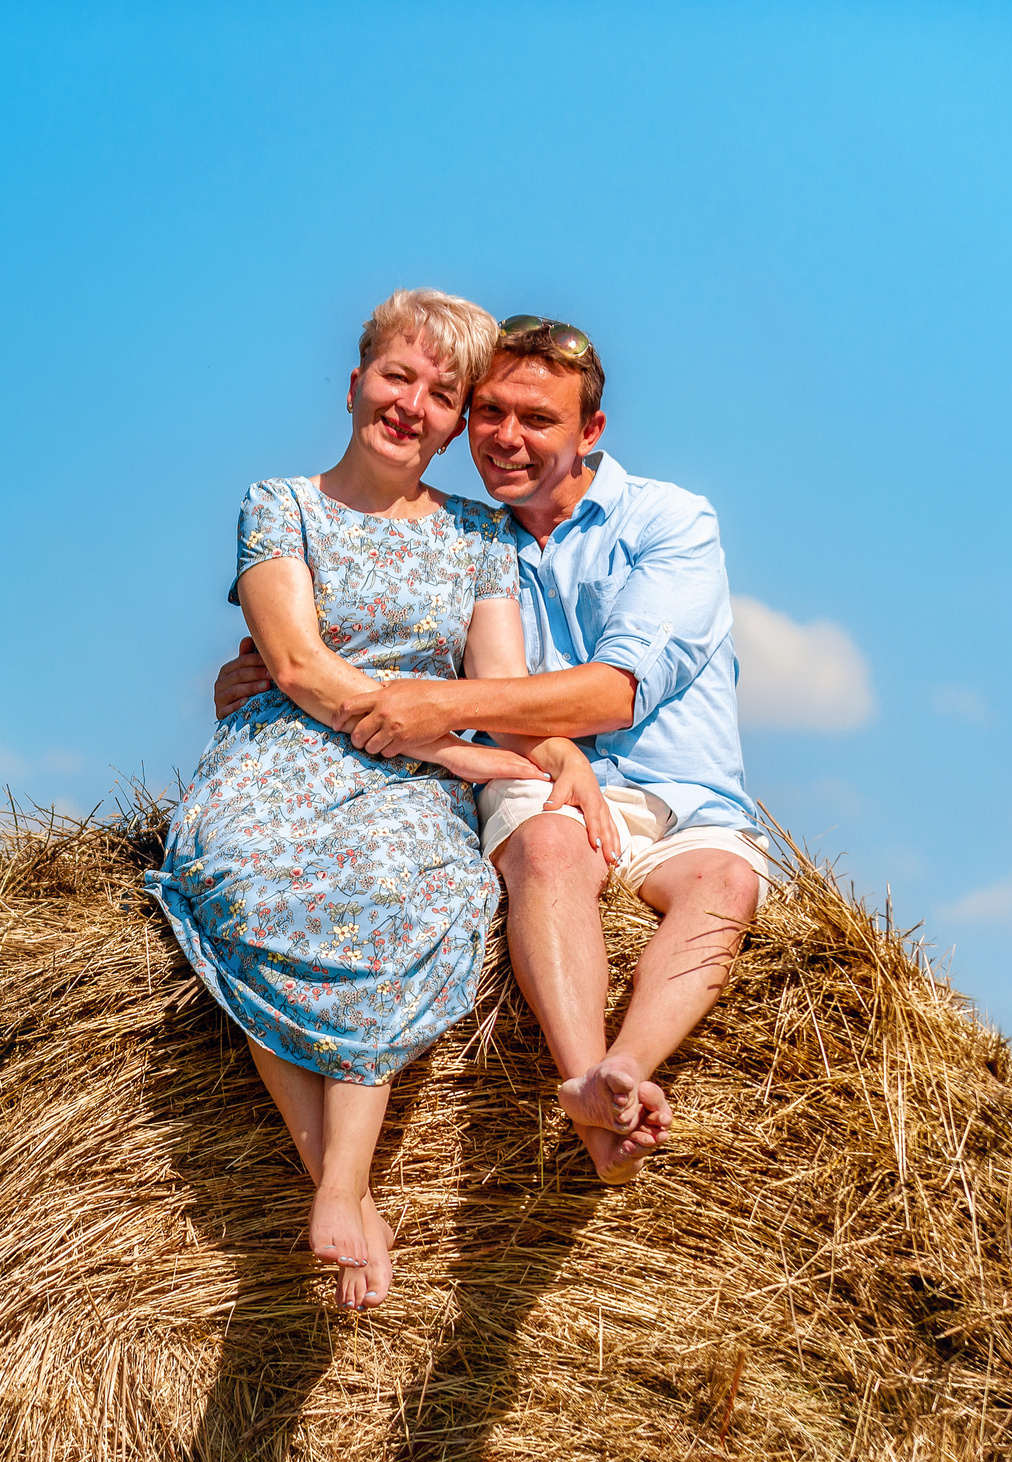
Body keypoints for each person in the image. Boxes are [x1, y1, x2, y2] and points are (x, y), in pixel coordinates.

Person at [214, 315, 768, 1187]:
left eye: (539, 418)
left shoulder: (669, 521)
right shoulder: (478, 536)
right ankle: (585, 1083)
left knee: (728, 884)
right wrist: (263, 677)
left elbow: (616, 692)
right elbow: (360, 638)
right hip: (531, 773)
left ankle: (629, 1065)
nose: (507, 436)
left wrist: (441, 705)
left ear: (591, 430)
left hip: (678, 793)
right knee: (549, 850)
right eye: (490, 412)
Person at [147, 290, 582, 1312]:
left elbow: (501, 684)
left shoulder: (480, 536)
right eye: (397, 376)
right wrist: (456, 751)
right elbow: (298, 665)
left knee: (394, 888)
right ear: (354, 384)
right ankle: (345, 1192)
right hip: (286, 754)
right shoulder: (279, 504)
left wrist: (559, 756)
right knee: (249, 880)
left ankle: (341, 1187)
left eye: (442, 394)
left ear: (454, 421)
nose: (411, 405)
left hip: (402, 785)